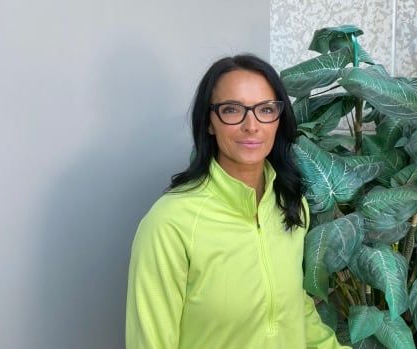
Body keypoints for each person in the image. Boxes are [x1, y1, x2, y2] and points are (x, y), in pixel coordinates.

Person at [126, 54, 350, 349]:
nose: (251, 125)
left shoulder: (291, 205)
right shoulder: (170, 223)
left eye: (266, 109)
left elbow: (295, 311)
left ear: (278, 120)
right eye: (232, 110)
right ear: (209, 122)